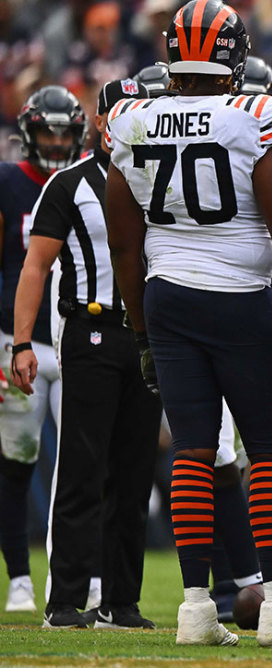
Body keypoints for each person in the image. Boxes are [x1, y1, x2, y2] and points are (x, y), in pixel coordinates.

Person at [105, 0, 272, 648]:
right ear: (233, 53)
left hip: (167, 297)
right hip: (241, 298)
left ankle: (197, 608)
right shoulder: (252, 115)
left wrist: (142, 330)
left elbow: (126, 244)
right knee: (269, 451)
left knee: (194, 452)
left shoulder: (130, 119)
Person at [10, 78, 160, 631]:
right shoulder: (69, 183)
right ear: (100, 122)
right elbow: (35, 265)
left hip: (144, 336)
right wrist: (23, 341)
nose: (130, 121)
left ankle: (123, 602)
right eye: (121, 112)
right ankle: (65, 599)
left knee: (134, 471)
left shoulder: (157, 178)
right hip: (90, 330)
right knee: (81, 467)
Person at [0, 85, 84, 616]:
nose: (55, 140)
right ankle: (19, 579)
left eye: (64, 131)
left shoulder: (83, 183)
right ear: (28, 132)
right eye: (47, 130)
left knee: (77, 463)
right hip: (17, 341)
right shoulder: (9, 182)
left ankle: (76, 576)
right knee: (17, 459)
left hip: (73, 336)